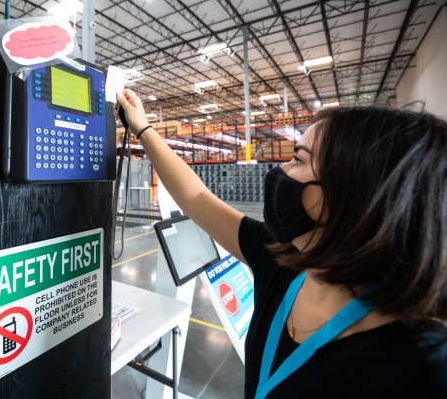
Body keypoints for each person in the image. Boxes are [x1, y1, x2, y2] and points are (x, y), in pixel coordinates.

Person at [116, 89, 447, 398]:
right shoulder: (280, 262)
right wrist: (143, 127)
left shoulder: (422, 369)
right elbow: (197, 197)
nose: (281, 171)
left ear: (359, 195)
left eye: (300, 160)